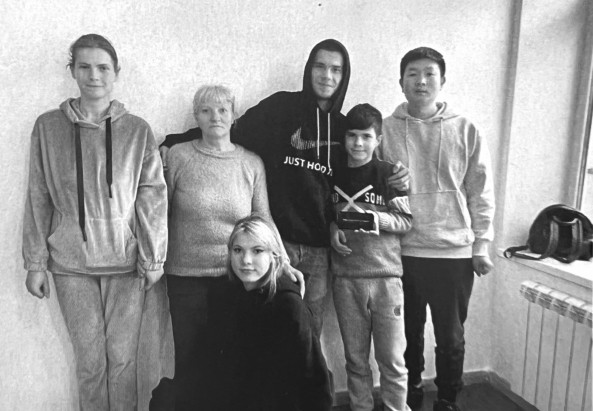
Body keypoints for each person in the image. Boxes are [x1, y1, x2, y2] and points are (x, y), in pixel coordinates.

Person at [160, 39, 409, 338]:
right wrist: (173, 141)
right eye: (320, 66)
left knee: (309, 335)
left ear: (344, 76)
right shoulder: (280, 108)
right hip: (276, 245)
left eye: (336, 70)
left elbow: (361, 173)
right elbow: (230, 128)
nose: (327, 76)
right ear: (308, 69)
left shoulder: (345, 129)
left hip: (320, 250)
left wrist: (395, 177)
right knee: (268, 333)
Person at [22, 34, 170, 410]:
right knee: (90, 365)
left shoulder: (137, 130)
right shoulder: (48, 127)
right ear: (72, 71)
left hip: (126, 262)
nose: (94, 75)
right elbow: (38, 195)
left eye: (103, 67)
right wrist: (35, 262)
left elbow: (152, 197)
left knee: (123, 362)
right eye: (84, 67)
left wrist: (154, 257)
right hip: (70, 263)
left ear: (116, 72)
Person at [158, 84, 301, 410]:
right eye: (206, 110)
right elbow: (159, 213)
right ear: (196, 116)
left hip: (237, 277)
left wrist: (283, 261)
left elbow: (262, 218)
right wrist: (150, 258)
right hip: (186, 277)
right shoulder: (178, 156)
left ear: (234, 116)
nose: (215, 117)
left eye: (223, 110)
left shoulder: (251, 163)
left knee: (233, 359)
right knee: (190, 360)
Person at [376, 47, 495, 411]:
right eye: (413, 74)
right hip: (403, 251)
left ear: (442, 81)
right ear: (401, 82)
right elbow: (369, 184)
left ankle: (447, 400)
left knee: (451, 338)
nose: (421, 81)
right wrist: (387, 183)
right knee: (407, 334)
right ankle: (410, 394)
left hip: (454, 252)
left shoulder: (466, 129)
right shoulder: (384, 130)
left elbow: (480, 190)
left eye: (429, 73)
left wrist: (482, 244)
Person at [330, 104, 413, 411]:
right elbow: (328, 214)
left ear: (378, 139)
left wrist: (375, 219)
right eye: (352, 135)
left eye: (366, 136)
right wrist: (332, 228)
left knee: (392, 360)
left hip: (386, 279)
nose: (358, 143)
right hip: (346, 278)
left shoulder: (389, 174)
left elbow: (406, 221)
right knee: (355, 359)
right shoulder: (333, 173)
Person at [206, 214, 332, 411]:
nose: (246, 260)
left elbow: (314, 379)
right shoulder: (225, 295)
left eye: (257, 251)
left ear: (274, 256)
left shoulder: (289, 305)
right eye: (238, 250)